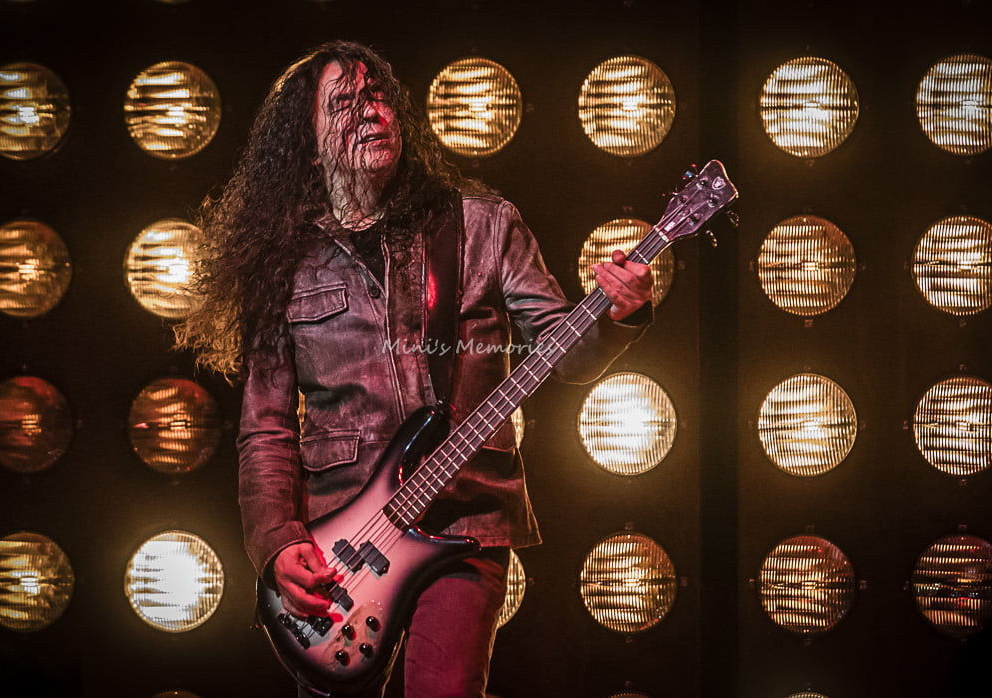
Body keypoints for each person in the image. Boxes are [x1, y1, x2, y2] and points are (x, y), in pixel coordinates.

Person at [176, 40, 654, 697]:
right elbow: (265, 429)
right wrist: (278, 542)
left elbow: (564, 354)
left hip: (465, 517)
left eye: (377, 96)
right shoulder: (284, 262)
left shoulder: (481, 226)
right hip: (340, 538)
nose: (370, 112)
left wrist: (621, 312)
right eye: (343, 104)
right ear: (309, 146)